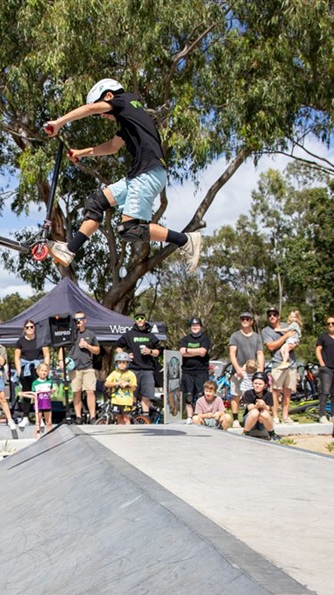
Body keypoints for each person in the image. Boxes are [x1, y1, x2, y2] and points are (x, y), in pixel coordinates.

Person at [44, 78, 201, 271]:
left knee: (130, 230)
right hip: (140, 175)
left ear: (109, 96)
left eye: (102, 111)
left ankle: (185, 239)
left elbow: (89, 109)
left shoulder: (123, 100)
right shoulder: (130, 117)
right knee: (97, 202)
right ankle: (69, 249)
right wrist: (81, 152)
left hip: (147, 173)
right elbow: (112, 146)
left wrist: (59, 122)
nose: (102, 116)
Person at [115, 313, 163, 416]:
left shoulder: (151, 336)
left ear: (145, 320)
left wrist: (150, 351)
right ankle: (132, 417)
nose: (140, 320)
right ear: (135, 321)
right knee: (132, 394)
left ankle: (145, 418)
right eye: (137, 318)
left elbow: (159, 351)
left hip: (148, 370)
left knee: (146, 396)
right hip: (132, 369)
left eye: (142, 318)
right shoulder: (129, 334)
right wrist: (125, 355)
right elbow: (117, 346)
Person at [228, 312, 265, 421]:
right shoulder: (235, 336)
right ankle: (235, 419)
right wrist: (238, 368)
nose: (245, 321)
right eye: (243, 319)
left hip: (253, 371)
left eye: (247, 319)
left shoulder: (257, 337)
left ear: (251, 321)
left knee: (253, 395)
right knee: (236, 394)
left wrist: (261, 371)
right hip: (239, 371)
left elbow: (260, 353)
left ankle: (250, 418)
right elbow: (232, 353)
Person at [262, 309, 297, 424]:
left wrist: (292, 344)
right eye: (270, 315)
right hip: (277, 364)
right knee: (275, 391)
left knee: (288, 391)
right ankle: (275, 416)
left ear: (278, 316)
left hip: (291, 364)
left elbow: (296, 339)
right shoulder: (266, 331)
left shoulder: (287, 325)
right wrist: (286, 336)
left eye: (274, 315)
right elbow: (271, 347)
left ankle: (286, 416)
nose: (272, 317)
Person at [14, 320, 50, 423]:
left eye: (31, 327)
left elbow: (46, 355)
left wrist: (45, 368)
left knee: (40, 392)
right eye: (27, 327)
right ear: (24, 329)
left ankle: (40, 418)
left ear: (34, 328)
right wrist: (19, 371)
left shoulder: (41, 340)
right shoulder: (20, 341)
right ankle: (25, 417)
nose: (30, 329)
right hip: (25, 369)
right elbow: (17, 357)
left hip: (38, 368)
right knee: (27, 391)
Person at [68, 312, 101, 423]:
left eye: (81, 319)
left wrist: (87, 345)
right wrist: (60, 361)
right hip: (74, 368)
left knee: (90, 391)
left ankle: (92, 416)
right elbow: (61, 348)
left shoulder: (90, 334)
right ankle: (78, 416)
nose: (78, 321)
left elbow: (97, 350)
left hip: (88, 367)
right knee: (76, 392)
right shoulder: (70, 334)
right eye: (76, 319)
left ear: (85, 320)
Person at [314, 315, 334, 424]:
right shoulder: (323, 337)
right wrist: (322, 363)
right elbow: (318, 350)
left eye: (333, 323)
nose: (330, 325)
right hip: (327, 367)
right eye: (328, 323)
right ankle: (322, 414)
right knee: (325, 391)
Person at [179, 316, 212, 419]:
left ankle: (199, 416)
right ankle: (189, 417)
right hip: (187, 371)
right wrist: (196, 351)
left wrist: (188, 351)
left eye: (197, 325)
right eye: (193, 325)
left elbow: (202, 353)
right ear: (190, 327)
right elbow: (181, 352)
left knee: (200, 395)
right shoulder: (185, 339)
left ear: (201, 327)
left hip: (201, 371)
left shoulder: (205, 339)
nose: (195, 327)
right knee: (188, 395)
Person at [240, 372, 278, 440]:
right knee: (255, 412)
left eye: (260, 384)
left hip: (262, 422)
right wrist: (257, 406)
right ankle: (245, 432)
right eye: (255, 383)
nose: (257, 385)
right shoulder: (248, 393)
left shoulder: (268, 394)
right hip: (249, 419)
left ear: (265, 385)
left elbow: (268, 409)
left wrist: (263, 405)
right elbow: (249, 408)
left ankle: (272, 434)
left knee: (264, 413)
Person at [105, 351, 138, 424]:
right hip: (116, 400)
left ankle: (128, 433)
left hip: (127, 401)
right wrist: (116, 383)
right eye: (119, 362)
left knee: (126, 418)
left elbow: (134, 387)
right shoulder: (114, 373)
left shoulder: (131, 374)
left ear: (127, 363)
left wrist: (128, 384)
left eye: (124, 362)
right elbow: (106, 383)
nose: (121, 364)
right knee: (118, 418)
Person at [28, 362, 54, 437]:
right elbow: (33, 394)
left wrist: (53, 390)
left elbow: (53, 389)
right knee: (37, 423)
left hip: (47, 405)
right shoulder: (35, 383)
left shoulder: (49, 382)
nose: (44, 372)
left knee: (49, 422)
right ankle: (36, 437)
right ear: (38, 371)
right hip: (38, 405)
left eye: (45, 371)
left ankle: (50, 437)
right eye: (42, 370)